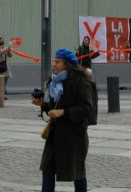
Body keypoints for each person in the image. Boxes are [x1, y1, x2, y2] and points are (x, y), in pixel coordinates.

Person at [31, 48, 93, 192]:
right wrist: (42, 105)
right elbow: (53, 108)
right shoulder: (54, 81)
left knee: (77, 173)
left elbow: (87, 108)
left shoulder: (80, 82)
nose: (54, 64)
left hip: (74, 136)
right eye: (54, 61)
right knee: (47, 170)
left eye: (58, 62)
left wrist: (63, 112)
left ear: (67, 64)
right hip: (55, 136)